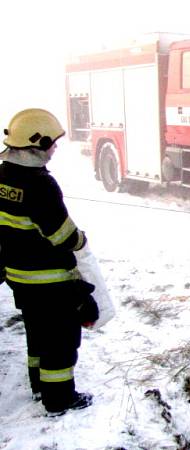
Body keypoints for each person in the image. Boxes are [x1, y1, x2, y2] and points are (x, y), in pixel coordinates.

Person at [0, 108, 98, 416]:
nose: (54, 148)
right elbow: (61, 234)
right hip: (49, 279)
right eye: (52, 143)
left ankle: (39, 387)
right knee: (60, 340)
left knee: (37, 333)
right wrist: (81, 241)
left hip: (18, 276)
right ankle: (59, 400)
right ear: (36, 142)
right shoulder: (40, 184)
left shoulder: (3, 176)